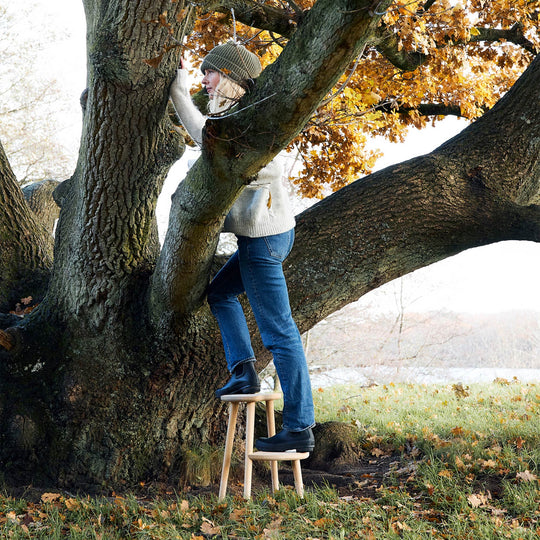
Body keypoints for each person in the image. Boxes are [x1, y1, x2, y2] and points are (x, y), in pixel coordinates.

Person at [169, 41, 315, 453]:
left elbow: (210, 142)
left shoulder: (251, 123)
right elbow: (210, 137)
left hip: (263, 241)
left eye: (212, 72)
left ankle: (300, 428)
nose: (205, 80)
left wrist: (179, 92)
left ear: (232, 78)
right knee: (219, 292)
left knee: (281, 332)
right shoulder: (236, 116)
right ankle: (243, 371)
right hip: (269, 235)